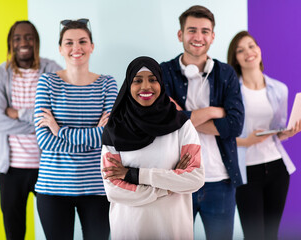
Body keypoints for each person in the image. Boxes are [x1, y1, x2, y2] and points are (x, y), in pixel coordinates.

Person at [160, 5, 245, 240]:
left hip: (220, 180)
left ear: (213, 36)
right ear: (180, 34)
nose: (198, 37)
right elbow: (163, 123)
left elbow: (235, 126)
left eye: (205, 31)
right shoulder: (162, 72)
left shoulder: (226, 73)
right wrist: (214, 111)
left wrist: (183, 117)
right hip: (176, 179)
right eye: (192, 30)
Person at [101, 56, 204, 240]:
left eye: (153, 80)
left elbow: (195, 178)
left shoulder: (181, 125)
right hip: (130, 230)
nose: (146, 87)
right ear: (128, 86)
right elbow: (114, 190)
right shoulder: (114, 130)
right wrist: (167, 188)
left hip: (173, 230)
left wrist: (134, 175)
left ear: (161, 84)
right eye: (137, 81)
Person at [33, 19, 118, 240]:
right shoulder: (47, 83)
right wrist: (94, 136)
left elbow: (110, 137)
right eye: (69, 42)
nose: (76, 48)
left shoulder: (107, 84)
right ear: (61, 49)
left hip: (98, 189)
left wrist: (59, 130)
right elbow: (44, 141)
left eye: (82, 41)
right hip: (52, 189)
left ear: (92, 46)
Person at [0, 20, 61, 240]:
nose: (23, 42)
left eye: (28, 37)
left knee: (56, 230)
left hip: (48, 166)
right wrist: (41, 122)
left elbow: (62, 114)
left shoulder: (53, 70)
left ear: (36, 41)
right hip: (12, 170)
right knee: (14, 233)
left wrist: (19, 113)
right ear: (10, 43)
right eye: (17, 38)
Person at [227, 30, 301, 240]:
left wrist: (288, 132)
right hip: (247, 171)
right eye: (240, 50)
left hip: (277, 168)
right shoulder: (231, 92)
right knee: (254, 236)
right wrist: (247, 141)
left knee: (271, 235)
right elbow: (222, 137)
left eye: (251, 46)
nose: (248, 52)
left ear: (258, 50)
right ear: (236, 58)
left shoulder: (279, 89)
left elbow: (277, 132)